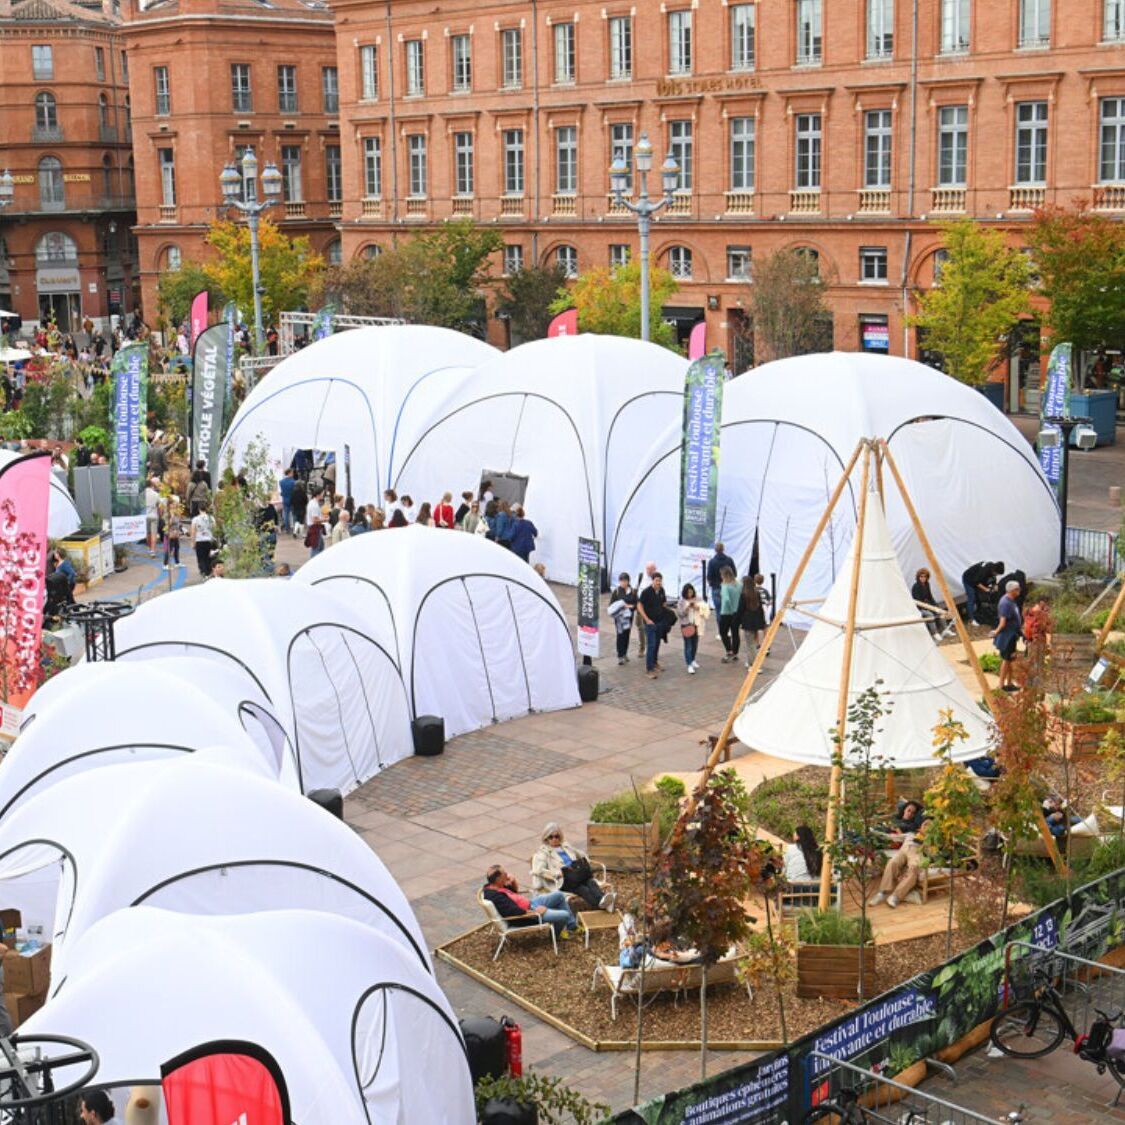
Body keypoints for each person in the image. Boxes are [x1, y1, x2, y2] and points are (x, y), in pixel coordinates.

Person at [531, 823, 615, 912]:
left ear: (560, 836)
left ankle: (602, 901)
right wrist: (556, 874)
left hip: (577, 875)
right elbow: (539, 870)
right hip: (564, 880)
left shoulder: (566, 846)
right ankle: (603, 905)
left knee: (591, 882)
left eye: (557, 836)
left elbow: (582, 855)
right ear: (546, 838)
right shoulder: (544, 852)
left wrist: (584, 863)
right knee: (582, 889)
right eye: (551, 837)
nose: (554, 839)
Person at [482, 864, 577, 938]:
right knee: (564, 915)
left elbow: (514, 892)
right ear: (498, 879)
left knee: (559, 895)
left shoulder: (497, 886)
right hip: (530, 914)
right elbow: (512, 911)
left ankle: (572, 926)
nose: (507, 874)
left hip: (532, 903)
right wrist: (535, 912)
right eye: (504, 873)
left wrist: (513, 880)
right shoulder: (495, 896)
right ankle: (555, 936)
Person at [870, 824, 930, 909]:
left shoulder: (929, 840)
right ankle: (882, 893)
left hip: (916, 853)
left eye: (927, 828)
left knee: (914, 870)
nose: (924, 829)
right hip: (903, 851)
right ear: (920, 827)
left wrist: (926, 842)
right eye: (924, 826)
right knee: (892, 863)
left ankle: (895, 896)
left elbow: (930, 854)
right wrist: (875, 833)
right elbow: (892, 837)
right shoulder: (910, 834)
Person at [991, 580, 1023, 692]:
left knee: (1011, 659)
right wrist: (996, 631)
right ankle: (1001, 685)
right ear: (1012, 590)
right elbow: (1002, 622)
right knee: (1006, 659)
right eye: (1017, 589)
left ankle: (1009, 683)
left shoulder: (1011, 601)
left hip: (1012, 635)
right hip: (1007, 637)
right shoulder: (1005, 603)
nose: (1019, 590)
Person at [636, 570, 667, 678]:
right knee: (651, 645)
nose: (658, 583)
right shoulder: (646, 592)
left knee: (657, 643)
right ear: (652, 581)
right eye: (657, 580)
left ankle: (655, 662)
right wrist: (646, 619)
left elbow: (664, 603)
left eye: (660, 581)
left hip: (659, 622)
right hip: (650, 623)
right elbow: (639, 605)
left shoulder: (662, 590)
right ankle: (649, 669)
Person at [960, 560, 1004, 625]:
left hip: (977, 579)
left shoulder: (992, 569)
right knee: (971, 597)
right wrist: (986, 589)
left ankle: (978, 613)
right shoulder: (984, 570)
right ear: (994, 570)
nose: (997, 575)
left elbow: (993, 579)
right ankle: (971, 619)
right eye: (997, 574)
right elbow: (976, 582)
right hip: (968, 579)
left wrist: (995, 585)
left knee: (978, 596)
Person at [740, 574, 770, 663]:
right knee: (755, 638)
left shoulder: (744, 595)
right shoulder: (758, 593)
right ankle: (764, 646)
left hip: (748, 622)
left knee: (750, 644)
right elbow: (762, 606)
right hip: (758, 619)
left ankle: (752, 663)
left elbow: (741, 610)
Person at [608, 573, 637, 665]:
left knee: (627, 635)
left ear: (628, 581)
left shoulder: (632, 591)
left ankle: (625, 653)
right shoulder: (616, 591)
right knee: (620, 635)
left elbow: (636, 604)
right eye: (621, 581)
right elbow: (611, 605)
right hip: (619, 618)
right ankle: (620, 655)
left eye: (625, 581)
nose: (623, 583)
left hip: (628, 617)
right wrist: (621, 607)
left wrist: (630, 606)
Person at [707, 542, 736, 629]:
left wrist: (711, 583)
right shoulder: (729, 560)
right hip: (728, 588)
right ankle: (730, 629)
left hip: (716, 588)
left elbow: (709, 576)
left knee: (719, 610)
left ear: (715, 550)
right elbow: (734, 573)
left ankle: (722, 631)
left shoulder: (712, 562)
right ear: (723, 549)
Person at [911, 568, 946, 636]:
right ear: (918, 577)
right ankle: (935, 633)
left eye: (925, 576)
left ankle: (945, 629)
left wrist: (936, 606)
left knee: (940, 611)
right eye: (921, 576)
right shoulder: (916, 586)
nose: (923, 578)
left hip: (927, 605)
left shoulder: (927, 584)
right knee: (929, 615)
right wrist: (928, 607)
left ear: (927, 577)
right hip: (920, 608)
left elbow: (930, 597)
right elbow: (918, 601)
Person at [677, 582, 702, 674]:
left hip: (696, 624)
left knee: (695, 643)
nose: (690, 594)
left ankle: (693, 659)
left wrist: (697, 607)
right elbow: (680, 614)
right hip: (686, 624)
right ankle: (689, 664)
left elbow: (704, 608)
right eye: (688, 592)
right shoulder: (681, 601)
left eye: (691, 592)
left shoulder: (697, 599)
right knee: (688, 645)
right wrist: (687, 608)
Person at [718, 567, 742, 663]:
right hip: (737, 612)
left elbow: (726, 599)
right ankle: (735, 652)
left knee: (723, 632)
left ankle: (729, 651)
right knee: (735, 632)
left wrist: (731, 608)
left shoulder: (725, 586)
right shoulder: (739, 584)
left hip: (726, 612)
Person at [636, 561, 657, 659]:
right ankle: (641, 648)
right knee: (640, 628)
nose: (649, 571)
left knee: (650, 628)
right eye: (647, 569)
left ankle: (651, 649)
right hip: (640, 606)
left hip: (651, 609)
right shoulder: (641, 576)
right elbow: (636, 589)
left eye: (651, 569)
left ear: (654, 569)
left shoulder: (656, 579)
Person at [190, 502, 214, 578]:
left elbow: (193, 531)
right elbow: (214, 528)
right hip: (209, 540)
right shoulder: (211, 518)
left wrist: (192, 542)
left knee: (201, 557)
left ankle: (203, 572)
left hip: (199, 540)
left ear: (199, 509)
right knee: (208, 557)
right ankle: (208, 571)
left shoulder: (195, 519)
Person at [144, 478, 161, 557]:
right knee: (154, 534)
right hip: (154, 515)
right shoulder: (156, 494)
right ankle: (153, 551)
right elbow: (159, 506)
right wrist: (160, 514)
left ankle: (149, 548)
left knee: (148, 533)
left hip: (145, 516)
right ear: (151, 485)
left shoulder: (141, 494)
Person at [279, 468, 296, 533]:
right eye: (292, 473)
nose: (293, 474)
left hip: (285, 499)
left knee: (286, 514)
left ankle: (287, 529)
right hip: (292, 499)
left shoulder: (281, 482)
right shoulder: (293, 482)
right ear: (289, 473)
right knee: (294, 514)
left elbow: (282, 492)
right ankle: (295, 528)